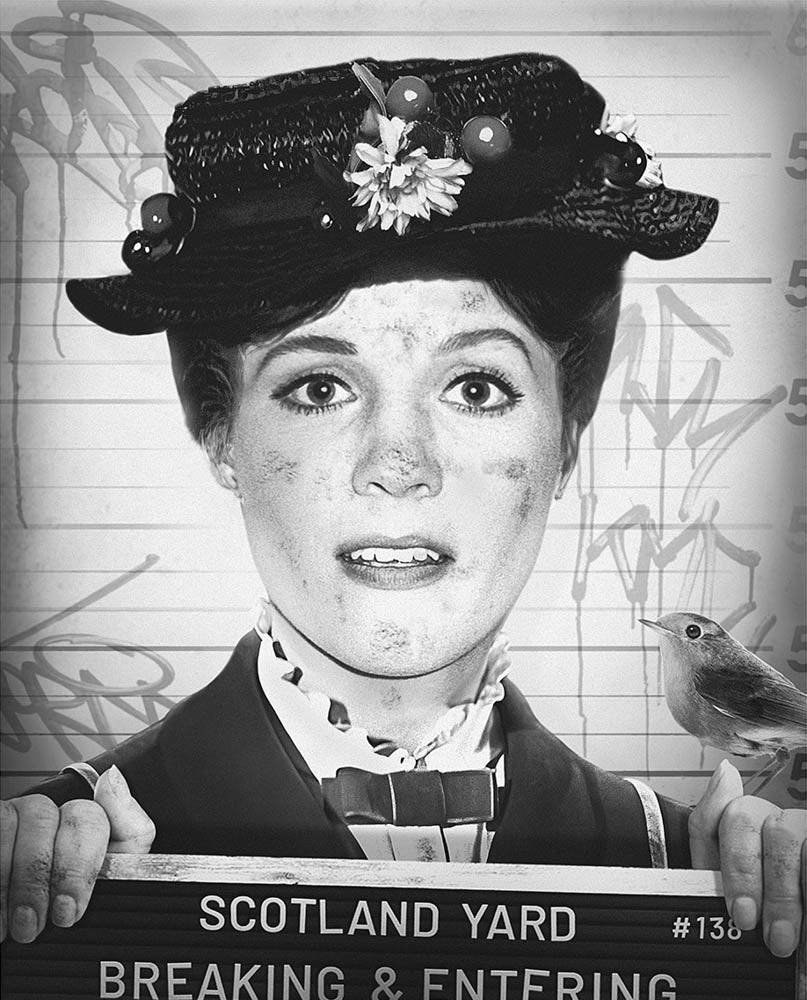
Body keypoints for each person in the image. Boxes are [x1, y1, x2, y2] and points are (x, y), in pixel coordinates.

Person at [1, 53, 803, 958]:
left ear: (566, 434)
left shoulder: (681, 870)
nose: (397, 466)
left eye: (475, 388)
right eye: (318, 389)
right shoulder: (57, 856)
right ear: (219, 431)